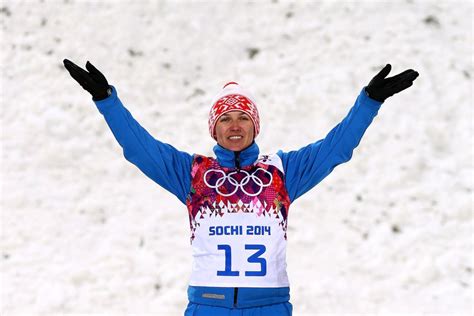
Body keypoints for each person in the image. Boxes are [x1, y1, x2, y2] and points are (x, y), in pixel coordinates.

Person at [63, 59, 419, 316]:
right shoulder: (192, 174)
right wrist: (106, 100)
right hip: (208, 305)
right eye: (226, 119)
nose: (235, 126)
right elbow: (140, 148)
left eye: (243, 117)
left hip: (269, 306)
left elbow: (335, 148)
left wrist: (369, 102)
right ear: (214, 130)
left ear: (255, 126)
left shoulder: (283, 172)